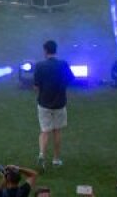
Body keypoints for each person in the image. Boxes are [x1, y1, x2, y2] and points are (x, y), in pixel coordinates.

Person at [33, 39, 74, 169]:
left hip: (44, 103)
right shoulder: (63, 64)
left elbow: (36, 86)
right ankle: (56, 159)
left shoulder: (40, 66)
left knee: (44, 131)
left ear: (45, 51)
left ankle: (41, 155)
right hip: (60, 103)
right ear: (56, 50)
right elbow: (71, 79)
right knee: (57, 131)